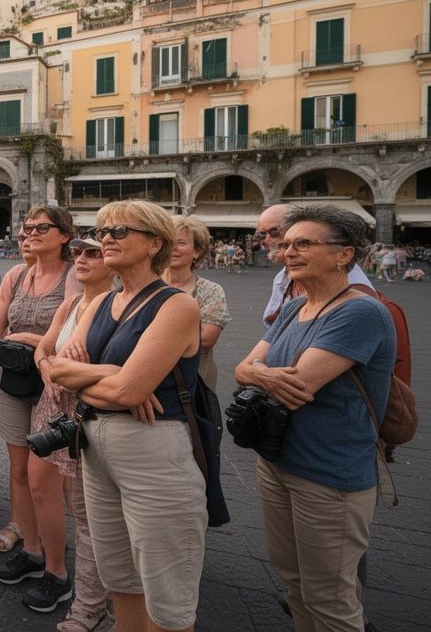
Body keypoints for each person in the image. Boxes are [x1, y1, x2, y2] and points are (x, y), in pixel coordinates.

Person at [234, 205, 394, 632]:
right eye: (286, 244)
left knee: (329, 598)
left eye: (303, 243)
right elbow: (242, 369)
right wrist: (258, 374)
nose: (288, 251)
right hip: (277, 461)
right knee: (293, 584)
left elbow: (299, 385)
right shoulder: (295, 307)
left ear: (344, 254)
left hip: (328, 473)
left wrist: (256, 374)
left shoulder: (359, 311)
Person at [48, 200, 206, 632]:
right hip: (97, 449)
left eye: (120, 231)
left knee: (166, 591)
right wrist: (112, 372)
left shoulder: (177, 306)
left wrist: (105, 379)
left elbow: (130, 391)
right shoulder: (101, 303)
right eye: (103, 231)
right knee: (119, 572)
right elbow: (57, 369)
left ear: (155, 242)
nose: (106, 239)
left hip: (154, 452)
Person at [0, 207, 81, 591]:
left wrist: (20, 340)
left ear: (65, 235)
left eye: (42, 227)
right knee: (19, 472)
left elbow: (72, 342)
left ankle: (58, 569)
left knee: (46, 482)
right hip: (14, 382)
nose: (32, 233)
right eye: (27, 228)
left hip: (55, 388)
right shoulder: (16, 275)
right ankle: (33, 550)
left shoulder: (74, 277)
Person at [32, 235, 116, 631]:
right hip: (55, 407)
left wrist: (60, 367)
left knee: (91, 514)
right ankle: (86, 597)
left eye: (93, 253)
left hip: (87, 416)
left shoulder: (116, 307)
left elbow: (79, 365)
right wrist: (50, 368)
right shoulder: (71, 303)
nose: (81, 259)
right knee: (75, 507)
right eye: (79, 252)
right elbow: (44, 351)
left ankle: (93, 603)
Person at [258, 204, 372, 326]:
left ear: (344, 255)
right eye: (261, 234)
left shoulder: (355, 303)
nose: (266, 240)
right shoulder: (283, 279)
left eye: (303, 243)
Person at [165, 216, 231, 391]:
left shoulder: (210, 290)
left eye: (180, 242)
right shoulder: (147, 283)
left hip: (193, 378)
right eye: (168, 241)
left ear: (197, 251)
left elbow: (207, 338)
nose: (173, 248)